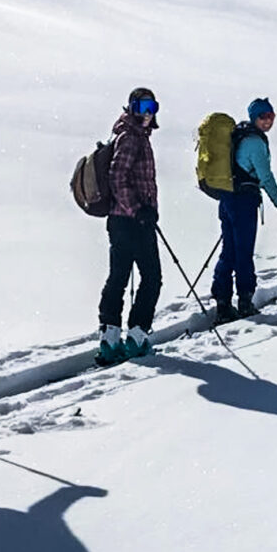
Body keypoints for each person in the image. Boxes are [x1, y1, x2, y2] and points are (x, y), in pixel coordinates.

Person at [211, 98, 277, 322]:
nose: (268, 121)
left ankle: (222, 302)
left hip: (228, 198)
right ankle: (245, 301)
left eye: (271, 116)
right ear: (254, 118)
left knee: (229, 251)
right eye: (263, 117)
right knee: (243, 252)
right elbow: (265, 177)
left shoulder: (241, 137)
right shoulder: (255, 143)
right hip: (243, 202)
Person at [96, 87, 164, 366]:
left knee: (119, 277)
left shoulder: (133, 136)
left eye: (153, 108)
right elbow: (117, 177)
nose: (148, 114)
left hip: (124, 220)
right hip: (132, 221)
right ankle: (135, 337)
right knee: (151, 277)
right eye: (143, 107)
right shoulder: (130, 137)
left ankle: (111, 339)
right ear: (132, 107)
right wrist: (138, 210)